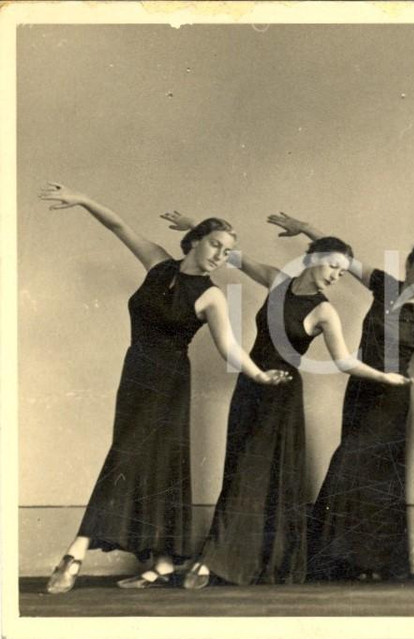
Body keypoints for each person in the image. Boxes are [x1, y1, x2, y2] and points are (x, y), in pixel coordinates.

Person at [40, 184, 289, 594]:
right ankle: (163, 564)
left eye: (227, 252)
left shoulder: (211, 296)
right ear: (194, 242)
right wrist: (83, 200)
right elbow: (118, 225)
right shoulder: (158, 264)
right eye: (215, 245)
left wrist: (260, 375)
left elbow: (230, 348)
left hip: (170, 382)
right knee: (149, 461)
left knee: (131, 458)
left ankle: (75, 553)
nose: (220, 256)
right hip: (135, 373)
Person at [159, 212, 412, 589]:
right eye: (331, 266)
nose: (335, 276)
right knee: (238, 474)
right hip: (250, 387)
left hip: (282, 399)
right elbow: (234, 256)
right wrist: (195, 227)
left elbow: (344, 361)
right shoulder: (278, 280)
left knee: (252, 473)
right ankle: (240, 561)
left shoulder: (325, 311)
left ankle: (212, 561)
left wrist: (384, 376)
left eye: (342, 273)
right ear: (312, 259)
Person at [266, 212, 414, 581]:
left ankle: (370, 564)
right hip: (361, 388)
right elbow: (342, 259)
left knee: (374, 477)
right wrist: (305, 228)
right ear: (409, 265)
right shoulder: (385, 285)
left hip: (393, 399)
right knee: (352, 470)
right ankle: (337, 564)